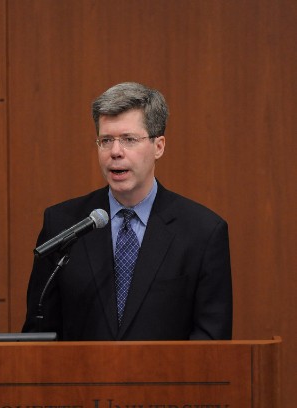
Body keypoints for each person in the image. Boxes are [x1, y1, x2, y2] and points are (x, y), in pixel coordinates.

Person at [22, 82, 232, 340]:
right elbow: (39, 335)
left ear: (159, 146)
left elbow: (212, 341)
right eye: (106, 140)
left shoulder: (203, 232)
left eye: (129, 140)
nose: (115, 152)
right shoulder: (63, 224)